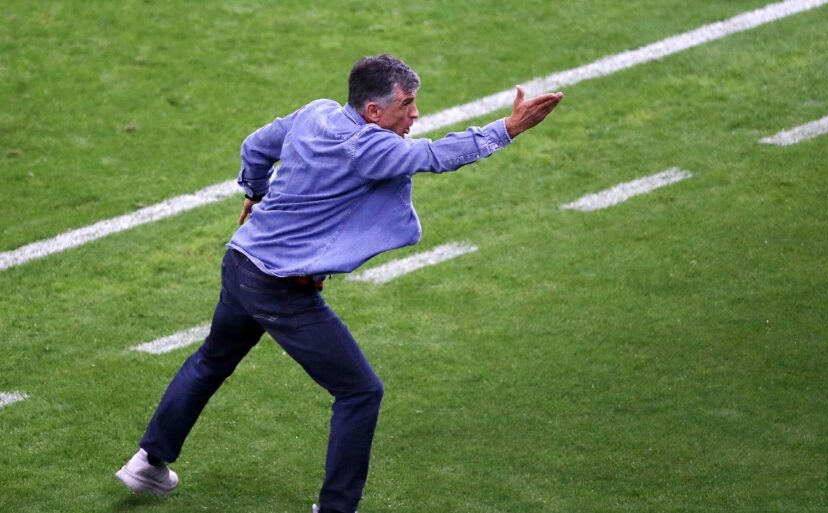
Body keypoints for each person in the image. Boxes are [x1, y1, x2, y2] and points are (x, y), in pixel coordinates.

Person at [115, 54, 563, 513]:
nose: (415, 114)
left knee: (212, 360)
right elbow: (434, 155)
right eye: (406, 104)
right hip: (280, 289)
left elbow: (256, 146)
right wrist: (509, 128)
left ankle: (148, 462)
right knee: (360, 391)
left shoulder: (315, 113)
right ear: (373, 111)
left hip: (241, 262)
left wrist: (255, 192)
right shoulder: (370, 147)